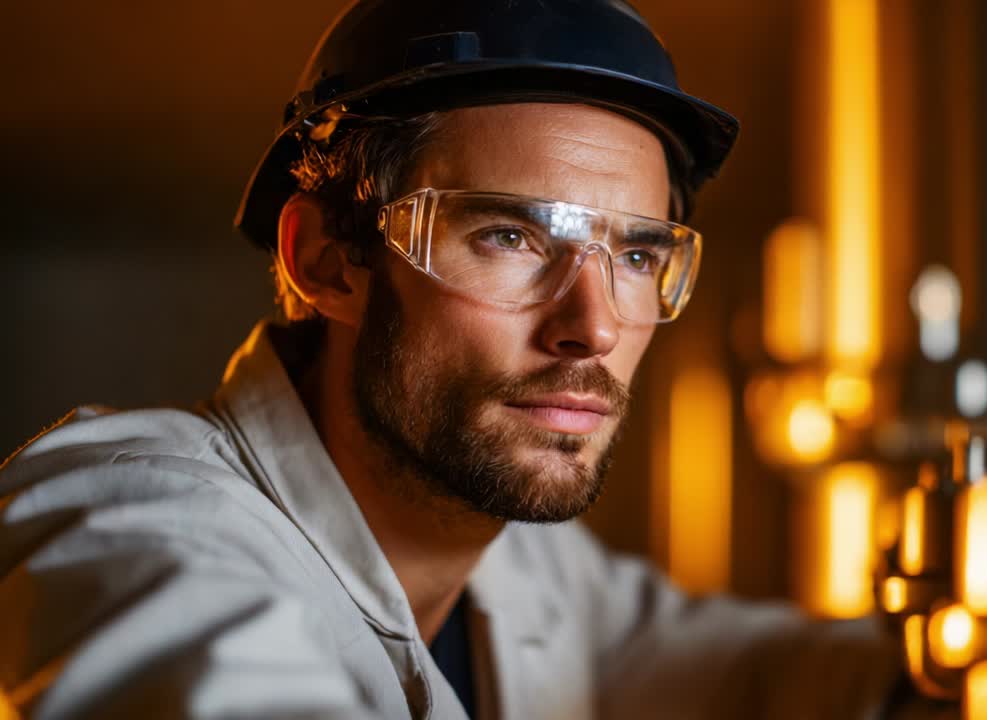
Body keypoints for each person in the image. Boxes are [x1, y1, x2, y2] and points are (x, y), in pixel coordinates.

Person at [0, 1, 907, 717]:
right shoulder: (119, 513)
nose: (591, 327)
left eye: (636, 256)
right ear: (327, 260)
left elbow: (767, 679)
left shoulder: (533, 573)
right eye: (509, 235)